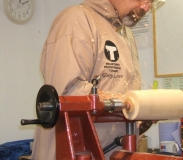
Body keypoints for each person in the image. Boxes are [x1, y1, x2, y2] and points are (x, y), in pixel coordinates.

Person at [30, 0, 152, 159]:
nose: (146, 7)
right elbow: (68, 94)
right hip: (73, 153)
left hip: (112, 152)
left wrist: (145, 112)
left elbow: (125, 98)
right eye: (143, 0)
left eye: (151, 2)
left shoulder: (124, 34)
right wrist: (127, 103)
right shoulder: (75, 20)